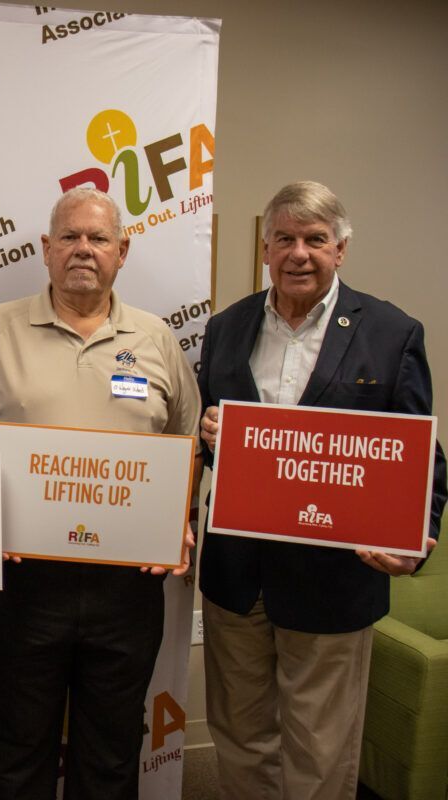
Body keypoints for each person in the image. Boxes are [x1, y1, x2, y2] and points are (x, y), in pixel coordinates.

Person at [196, 181, 447, 800]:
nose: (298, 253)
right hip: (238, 577)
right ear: (265, 248)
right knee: (241, 739)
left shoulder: (391, 332)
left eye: (315, 239)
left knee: (321, 752)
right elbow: (215, 443)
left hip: (333, 578)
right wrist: (208, 435)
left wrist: (421, 534)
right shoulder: (225, 329)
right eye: (285, 238)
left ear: (341, 250)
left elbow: (420, 455)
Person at [0, 187, 201, 799]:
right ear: (46, 249)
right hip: (22, 583)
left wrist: (178, 520)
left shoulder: (156, 339)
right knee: (17, 747)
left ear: (123, 250)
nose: (83, 250)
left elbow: (185, 441)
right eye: (70, 237)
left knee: (112, 749)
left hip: (126, 585)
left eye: (98, 238)